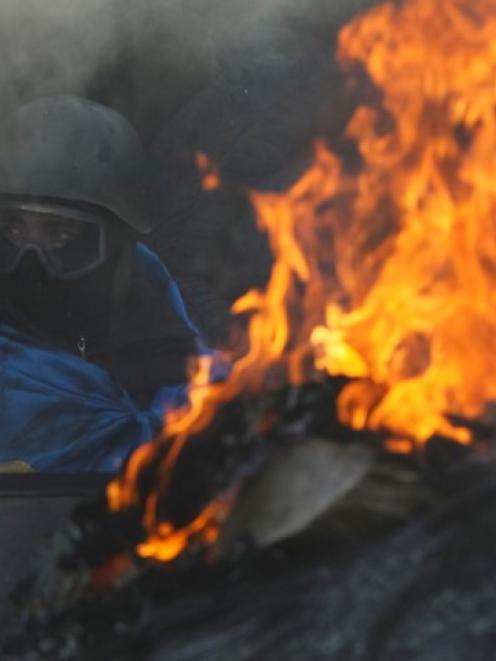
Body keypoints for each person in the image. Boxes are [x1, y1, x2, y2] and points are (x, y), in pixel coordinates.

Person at [0, 95, 203, 473]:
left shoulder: (174, 368)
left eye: (58, 234)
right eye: (11, 229)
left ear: (115, 244)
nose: (30, 258)